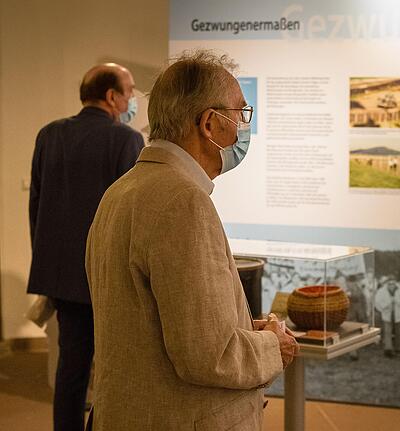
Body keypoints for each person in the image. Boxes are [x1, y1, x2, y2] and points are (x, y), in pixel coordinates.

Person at [85, 51, 299, 430]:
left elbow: (154, 320)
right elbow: (208, 354)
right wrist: (273, 346)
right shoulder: (183, 201)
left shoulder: (121, 191)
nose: (243, 129)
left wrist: (245, 326)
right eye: (241, 114)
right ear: (209, 124)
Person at [27, 62, 143, 431]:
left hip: (62, 277)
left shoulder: (49, 135)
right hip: (108, 278)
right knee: (114, 371)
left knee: (71, 368)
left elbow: (37, 205)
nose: (132, 98)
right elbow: (129, 215)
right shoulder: (126, 140)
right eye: (130, 91)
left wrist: (49, 262)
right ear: (112, 97)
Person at [374, 275, 400, 357]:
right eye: (390, 283)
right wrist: (386, 305)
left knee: (399, 331)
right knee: (387, 331)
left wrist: (397, 301)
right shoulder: (382, 291)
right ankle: (388, 349)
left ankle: (399, 348)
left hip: (398, 314)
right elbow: (377, 302)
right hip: (387, 314)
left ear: (396, 283)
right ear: (387, 283)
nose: (391, 285)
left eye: (393, 283)